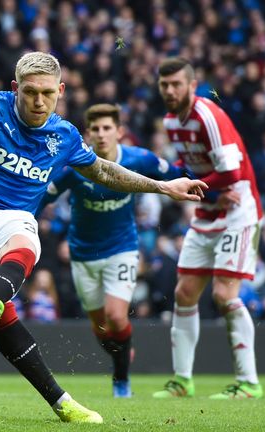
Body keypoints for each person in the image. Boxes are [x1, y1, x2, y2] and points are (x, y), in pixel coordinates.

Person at [0, 52, 206, 424]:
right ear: (15, 88)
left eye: (47, 93)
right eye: (30, 92)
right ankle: (58, 398)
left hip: (12, 219)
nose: (38, 102)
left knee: (25, 236)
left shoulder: (63, 134)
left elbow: (105, 172)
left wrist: (163, 187)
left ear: (61, 91)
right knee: (4, 314)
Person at [37, 104, 186, 397]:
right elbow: (43, 196)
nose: (102, 134)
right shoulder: (74, 167)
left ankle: (121, 378)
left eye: (108, 128)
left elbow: (176, 172)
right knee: (101, 328)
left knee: (116, 317)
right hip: (83, 254)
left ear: (119, 132)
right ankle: (121, 352)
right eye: (96, 129)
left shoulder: (139, 159)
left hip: (122, 248)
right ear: (88, 133)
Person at [152, 57, 264, 400]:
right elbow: (191, 164)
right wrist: (177, 174)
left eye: (176, 84)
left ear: (191, 84)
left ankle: (249, 383)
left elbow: (231, 173)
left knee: (223, 296)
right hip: (207, 213)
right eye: (164, 85)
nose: (170, 91)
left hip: (239, 212)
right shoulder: (172, 121)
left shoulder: (208, 115)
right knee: (184, 293)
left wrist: (194, 184)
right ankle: (182, 381)